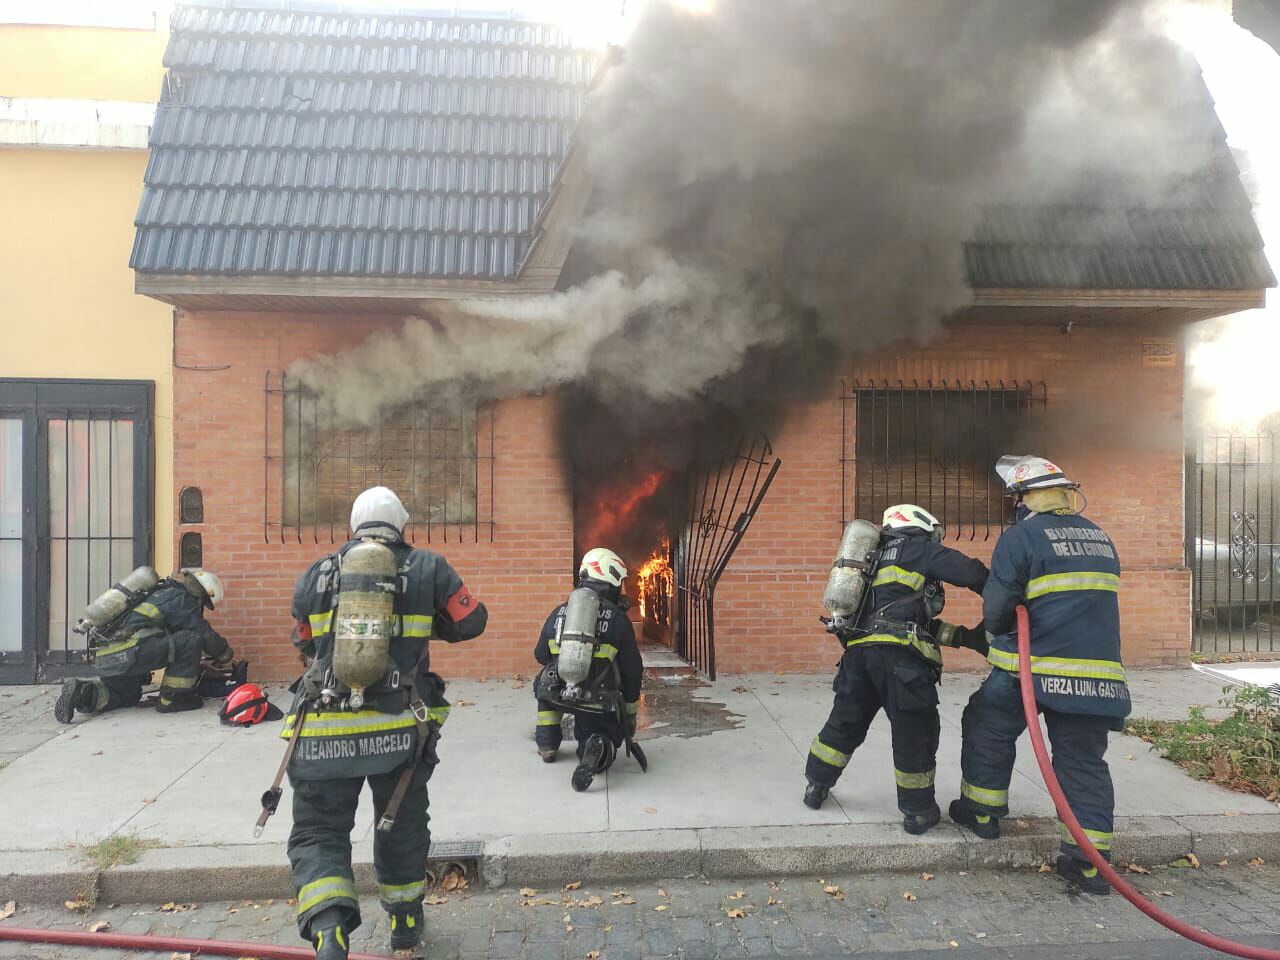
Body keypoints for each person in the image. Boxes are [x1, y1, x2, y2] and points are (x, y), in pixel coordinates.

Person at [285, 486, 487, 959]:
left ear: (353, 527)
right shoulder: (428, 567)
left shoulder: (315, 574)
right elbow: (471, 621)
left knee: (319, 831)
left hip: (321, 732)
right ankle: (405, 923)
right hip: (398, 732)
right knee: (400, 825)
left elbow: (304, 641)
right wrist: (426, 617)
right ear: (401, 525)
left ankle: (328, 928)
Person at [950, 456, 1129, 896]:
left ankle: (983, 813)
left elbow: (998, 607)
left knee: (987, 725)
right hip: (1094, 677)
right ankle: (1090, 864)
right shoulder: (1100, 537)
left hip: (1027, 670)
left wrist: (991, 633)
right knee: (1082, 760)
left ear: (1024, 499)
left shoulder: (1021, 537)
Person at [804, 504, 989, 835]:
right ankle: (918, 812)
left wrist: (966, 638)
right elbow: (971, 572)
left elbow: (906, 620)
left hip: (858, 658)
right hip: (900, 664)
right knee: (914, 733)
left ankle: (816, 785)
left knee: (844, 723)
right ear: (920, 526)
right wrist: (1006, 592)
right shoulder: (917, 549)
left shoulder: (870, 559)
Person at [54, 569, 231, 721]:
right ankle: (173, 698)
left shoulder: (161, 591)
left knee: (126, 694)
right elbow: (202, 632)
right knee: (190, 640)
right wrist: (224, 653)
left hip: (106, 654)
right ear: (201, 595)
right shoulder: (182, 599)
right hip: (131, 651)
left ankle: (82, 692)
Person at [533, 547, 643, 792]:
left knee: (543, 682)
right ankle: (595, 748)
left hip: (558, 692)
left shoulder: (559, 612)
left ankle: (547, 744)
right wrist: (629, 712)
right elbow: (633, 671)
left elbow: (540, 655)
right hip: (597, 699)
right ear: (611, 578)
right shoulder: (618, 619)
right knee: (602, 732)